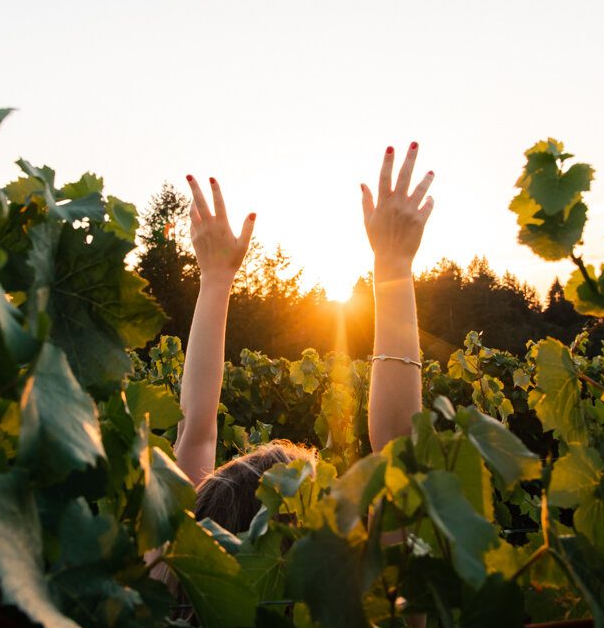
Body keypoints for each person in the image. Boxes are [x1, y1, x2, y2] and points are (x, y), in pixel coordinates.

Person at [172, 143, 435, 532]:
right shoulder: (362, 589)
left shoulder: (173, 569)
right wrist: (393, 262)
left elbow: (193, 432)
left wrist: (214, 279)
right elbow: (399, 444)